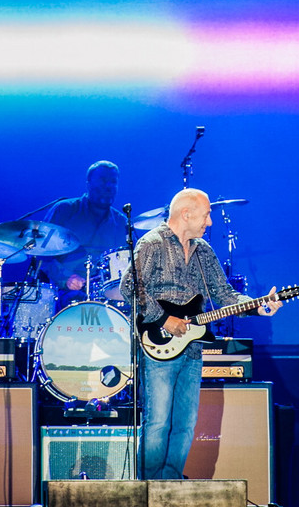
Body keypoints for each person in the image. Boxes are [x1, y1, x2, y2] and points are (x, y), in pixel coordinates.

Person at [121, 188, 282, 480]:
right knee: (158, 421)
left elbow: (224, 293)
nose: (209, 223)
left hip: (193, 349)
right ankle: (147, 489)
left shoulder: (203, 250)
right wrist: (164, 318)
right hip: (158, 347)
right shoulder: (152, 244)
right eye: (207, 215)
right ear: (187, 213)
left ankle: (169, 486)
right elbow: (130, 288)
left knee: (186, 423)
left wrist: (259, 307)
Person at [41, 160, 127, 308]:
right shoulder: (64, 210)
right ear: (88, 184)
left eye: (113, 182)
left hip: (109, 294)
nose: (108, 186)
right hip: (65, 291)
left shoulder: (122, 222)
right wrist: (65, 278)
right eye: (102, 180)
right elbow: (41, 256)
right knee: (75, 300)